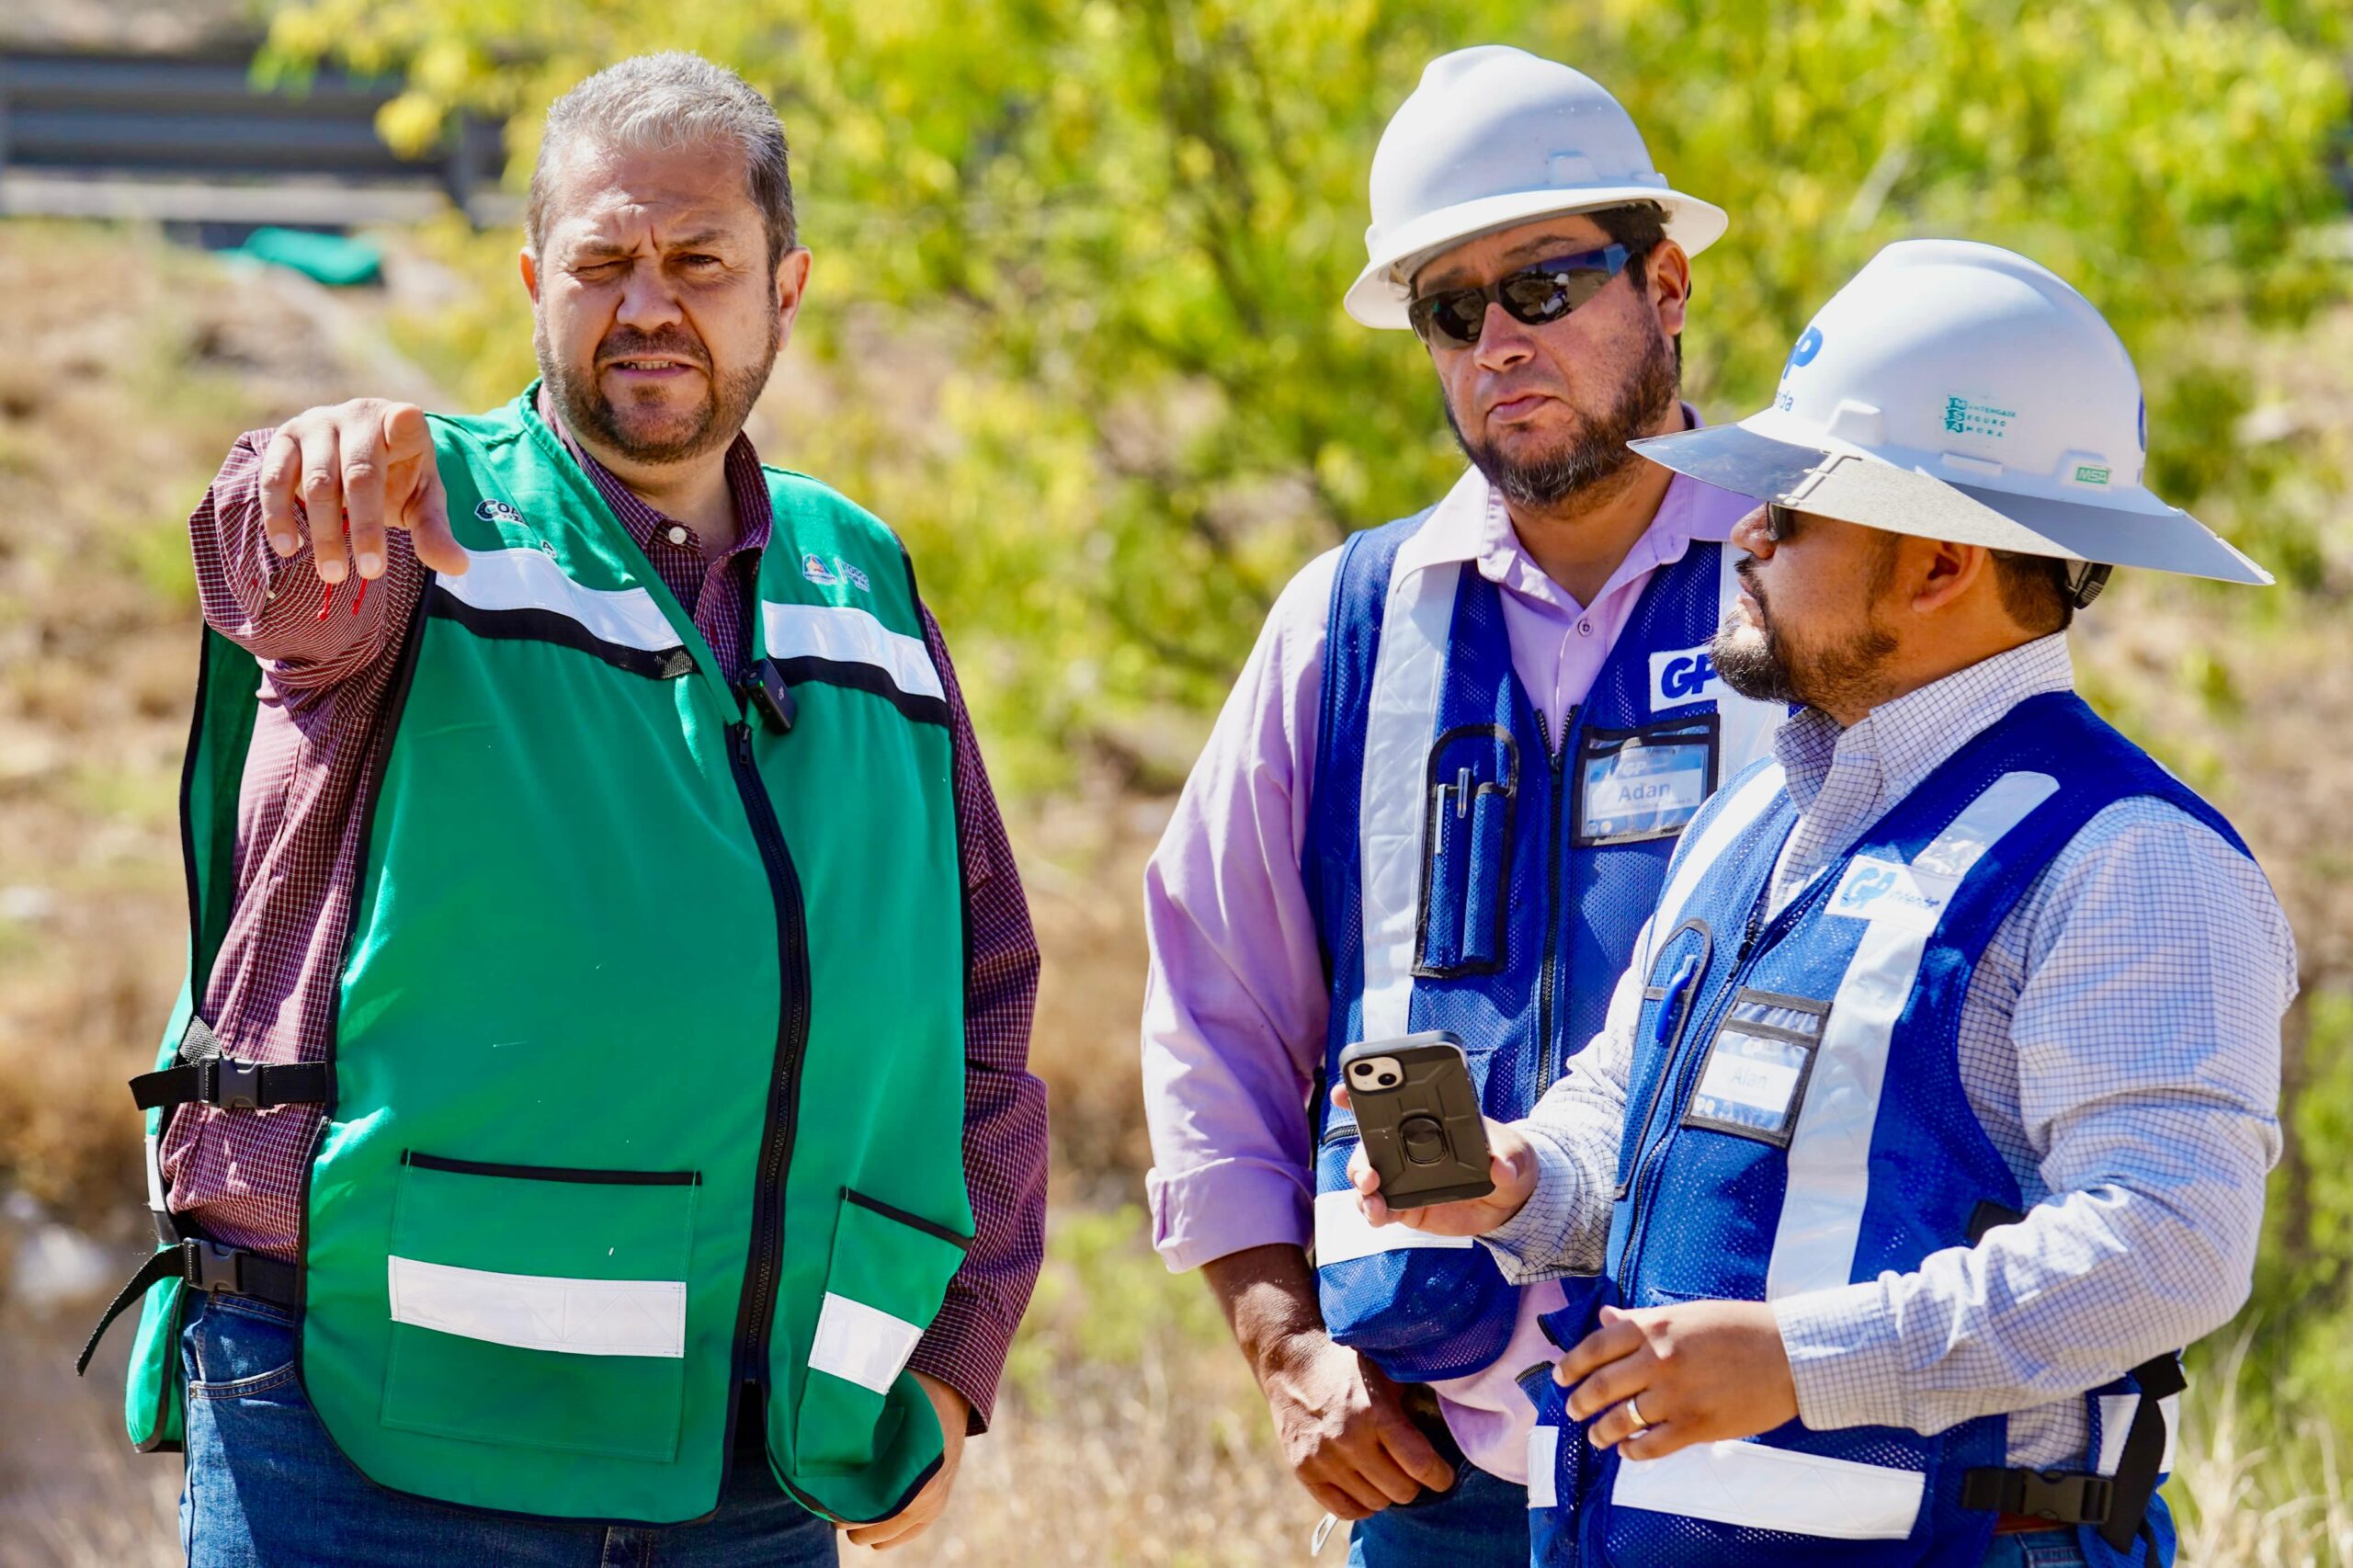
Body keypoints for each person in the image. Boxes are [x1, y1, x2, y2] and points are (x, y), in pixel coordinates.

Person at [78, 51, 1048, 1567]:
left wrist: (958, 1348)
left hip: (752, 1466)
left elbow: (983, 992)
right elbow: (267, 574)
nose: (647, 303)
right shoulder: (417, 511)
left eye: (698, 261)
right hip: (365, 1445)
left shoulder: (865, 581)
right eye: (602, 261)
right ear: (536, 278)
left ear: (785, 288)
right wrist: (299, 469)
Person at [1346, 239, 2293, 1568]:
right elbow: (1626, 1112)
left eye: (1795, 507)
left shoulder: (2133, 860)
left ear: (1941, 566)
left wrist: (1801, 1363)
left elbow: (2166, 1246)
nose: (1744, 531)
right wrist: (1517, 1180)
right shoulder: (1755, 819)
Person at [1139, 45, 1785, 1564]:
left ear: (1668, 284)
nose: (1500, 339)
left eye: (1546, 286)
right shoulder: (1344, 621)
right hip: (1442, 1482)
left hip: (1759, 1470)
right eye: (1451, 307)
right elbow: (1209, 1002)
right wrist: (1284, 1340)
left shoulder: (1811, 577)